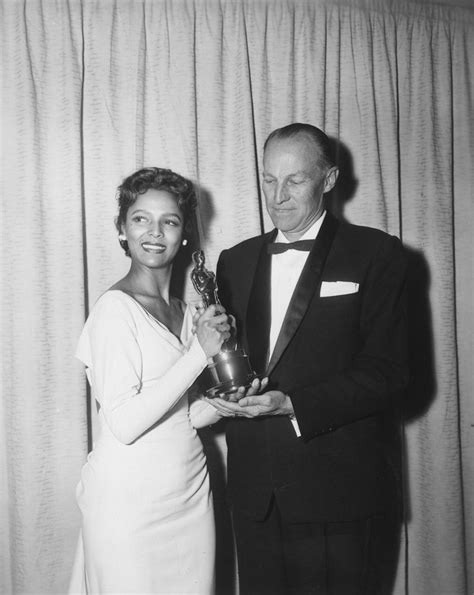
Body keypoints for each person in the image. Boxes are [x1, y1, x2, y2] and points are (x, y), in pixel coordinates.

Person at [209, 124, 409, 594]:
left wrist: (292, 404)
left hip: (337, 490)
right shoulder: (234, 260)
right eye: (268, 179)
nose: (278, 196)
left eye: (295, 180)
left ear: (330, 179)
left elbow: (391, 373)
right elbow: (225, 361)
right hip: (255, 493)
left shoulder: (376, 253)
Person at [69, 167, 233, 594]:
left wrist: (227, 403)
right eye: (141, 218)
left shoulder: (186, 312)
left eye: (170, 221)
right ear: (122, 230)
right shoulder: (114, 310)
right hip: (129, 506)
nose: (154, 232)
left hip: (189, 496)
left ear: (184, 235)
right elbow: (123, 423)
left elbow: (184, 415)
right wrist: (201, 352)